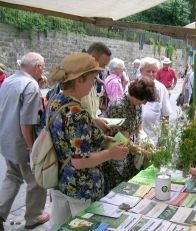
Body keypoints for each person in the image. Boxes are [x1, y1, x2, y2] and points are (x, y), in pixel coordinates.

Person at [46, 53, 129, 228]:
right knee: (85, 226)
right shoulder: (77, 112)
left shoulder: (56, 100)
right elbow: (80, 162)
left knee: (59, 226)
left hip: (59, 179)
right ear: (79, 80)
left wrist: (98, 138)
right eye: (92, 78)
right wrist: (111, 153)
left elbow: (69, 140)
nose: (94, 82)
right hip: (81, 186)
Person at [0, 52, 49, 230]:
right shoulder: (30, 86)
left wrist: (37, 85)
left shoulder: (10, 80)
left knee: (12, 176)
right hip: (22, 143)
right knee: (36, 180)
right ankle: (34, 216)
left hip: (6, 139)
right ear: (37, 67)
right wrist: (32, 149)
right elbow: (26, 124)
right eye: (42, 67)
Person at [103, 77, 157, 192]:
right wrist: (146, 153)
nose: (146, 103)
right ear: (137, 95)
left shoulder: (137, 105)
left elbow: (139, 129)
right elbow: (123, 141)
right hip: (117, 159)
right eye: (145, 100)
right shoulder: (119, 107)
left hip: (129, 156)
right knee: (118, 192)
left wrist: (147, 141)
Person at [139, 57, 172, 145]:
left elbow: (166, 115)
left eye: (154, 71)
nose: (151, 74)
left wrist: (164, 137)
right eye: (148, 71)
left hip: (152, 139)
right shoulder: (133, 87)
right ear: (141, 71)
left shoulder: (161, 89)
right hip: (135, 139)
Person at [81, 42, 112, 118]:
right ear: (92, 59)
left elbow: (91, 114)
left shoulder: (94, 79)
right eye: (102, 65)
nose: (103, 69)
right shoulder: (76, 80)